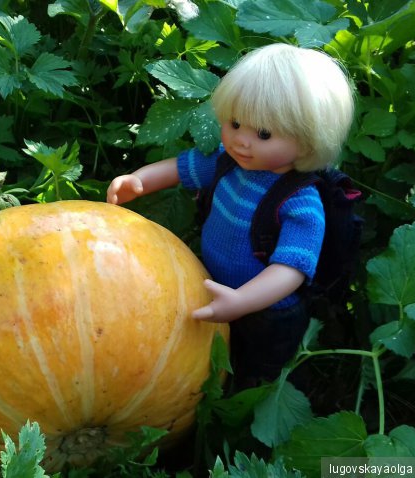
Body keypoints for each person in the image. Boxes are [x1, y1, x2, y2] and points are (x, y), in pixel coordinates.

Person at [106, 43, 355, 387]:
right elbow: (180, 168)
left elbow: (291, 269)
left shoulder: (300, 202)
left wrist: (242, 301)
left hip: (268, 310)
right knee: (211, 351)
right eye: (235, 123)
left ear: (310, 142)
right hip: (213, 283)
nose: (241, 141)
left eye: (264, 134)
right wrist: (138, 180)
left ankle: (256, 393)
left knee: (259, 364)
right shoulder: (227, 162)